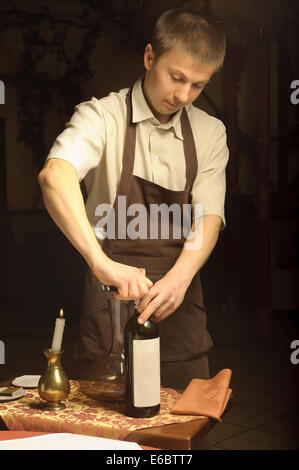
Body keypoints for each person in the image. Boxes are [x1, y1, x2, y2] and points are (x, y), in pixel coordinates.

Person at [38, 8, 229, 389]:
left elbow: (208, 217)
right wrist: (101, 262)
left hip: (181, 310)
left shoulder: (210, 133)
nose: (182, 95)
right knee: (108, 438)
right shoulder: (100, 117)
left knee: (182, 437)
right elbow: (54, 176)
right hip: (109, 313)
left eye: (197, 86)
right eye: (176, 78)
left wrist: (179, 278)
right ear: (149, 57)